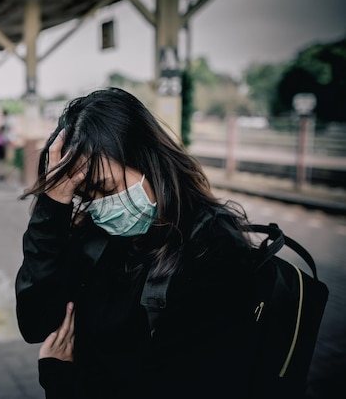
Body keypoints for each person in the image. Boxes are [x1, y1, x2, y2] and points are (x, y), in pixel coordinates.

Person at [15, 88, 258, 399]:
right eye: (87, 196)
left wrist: (62, 380)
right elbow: (36, 322)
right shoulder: (100, 234)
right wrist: (52, 204)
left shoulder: (212, 248)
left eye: (106, 187)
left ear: (145, 157)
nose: (100, 206)